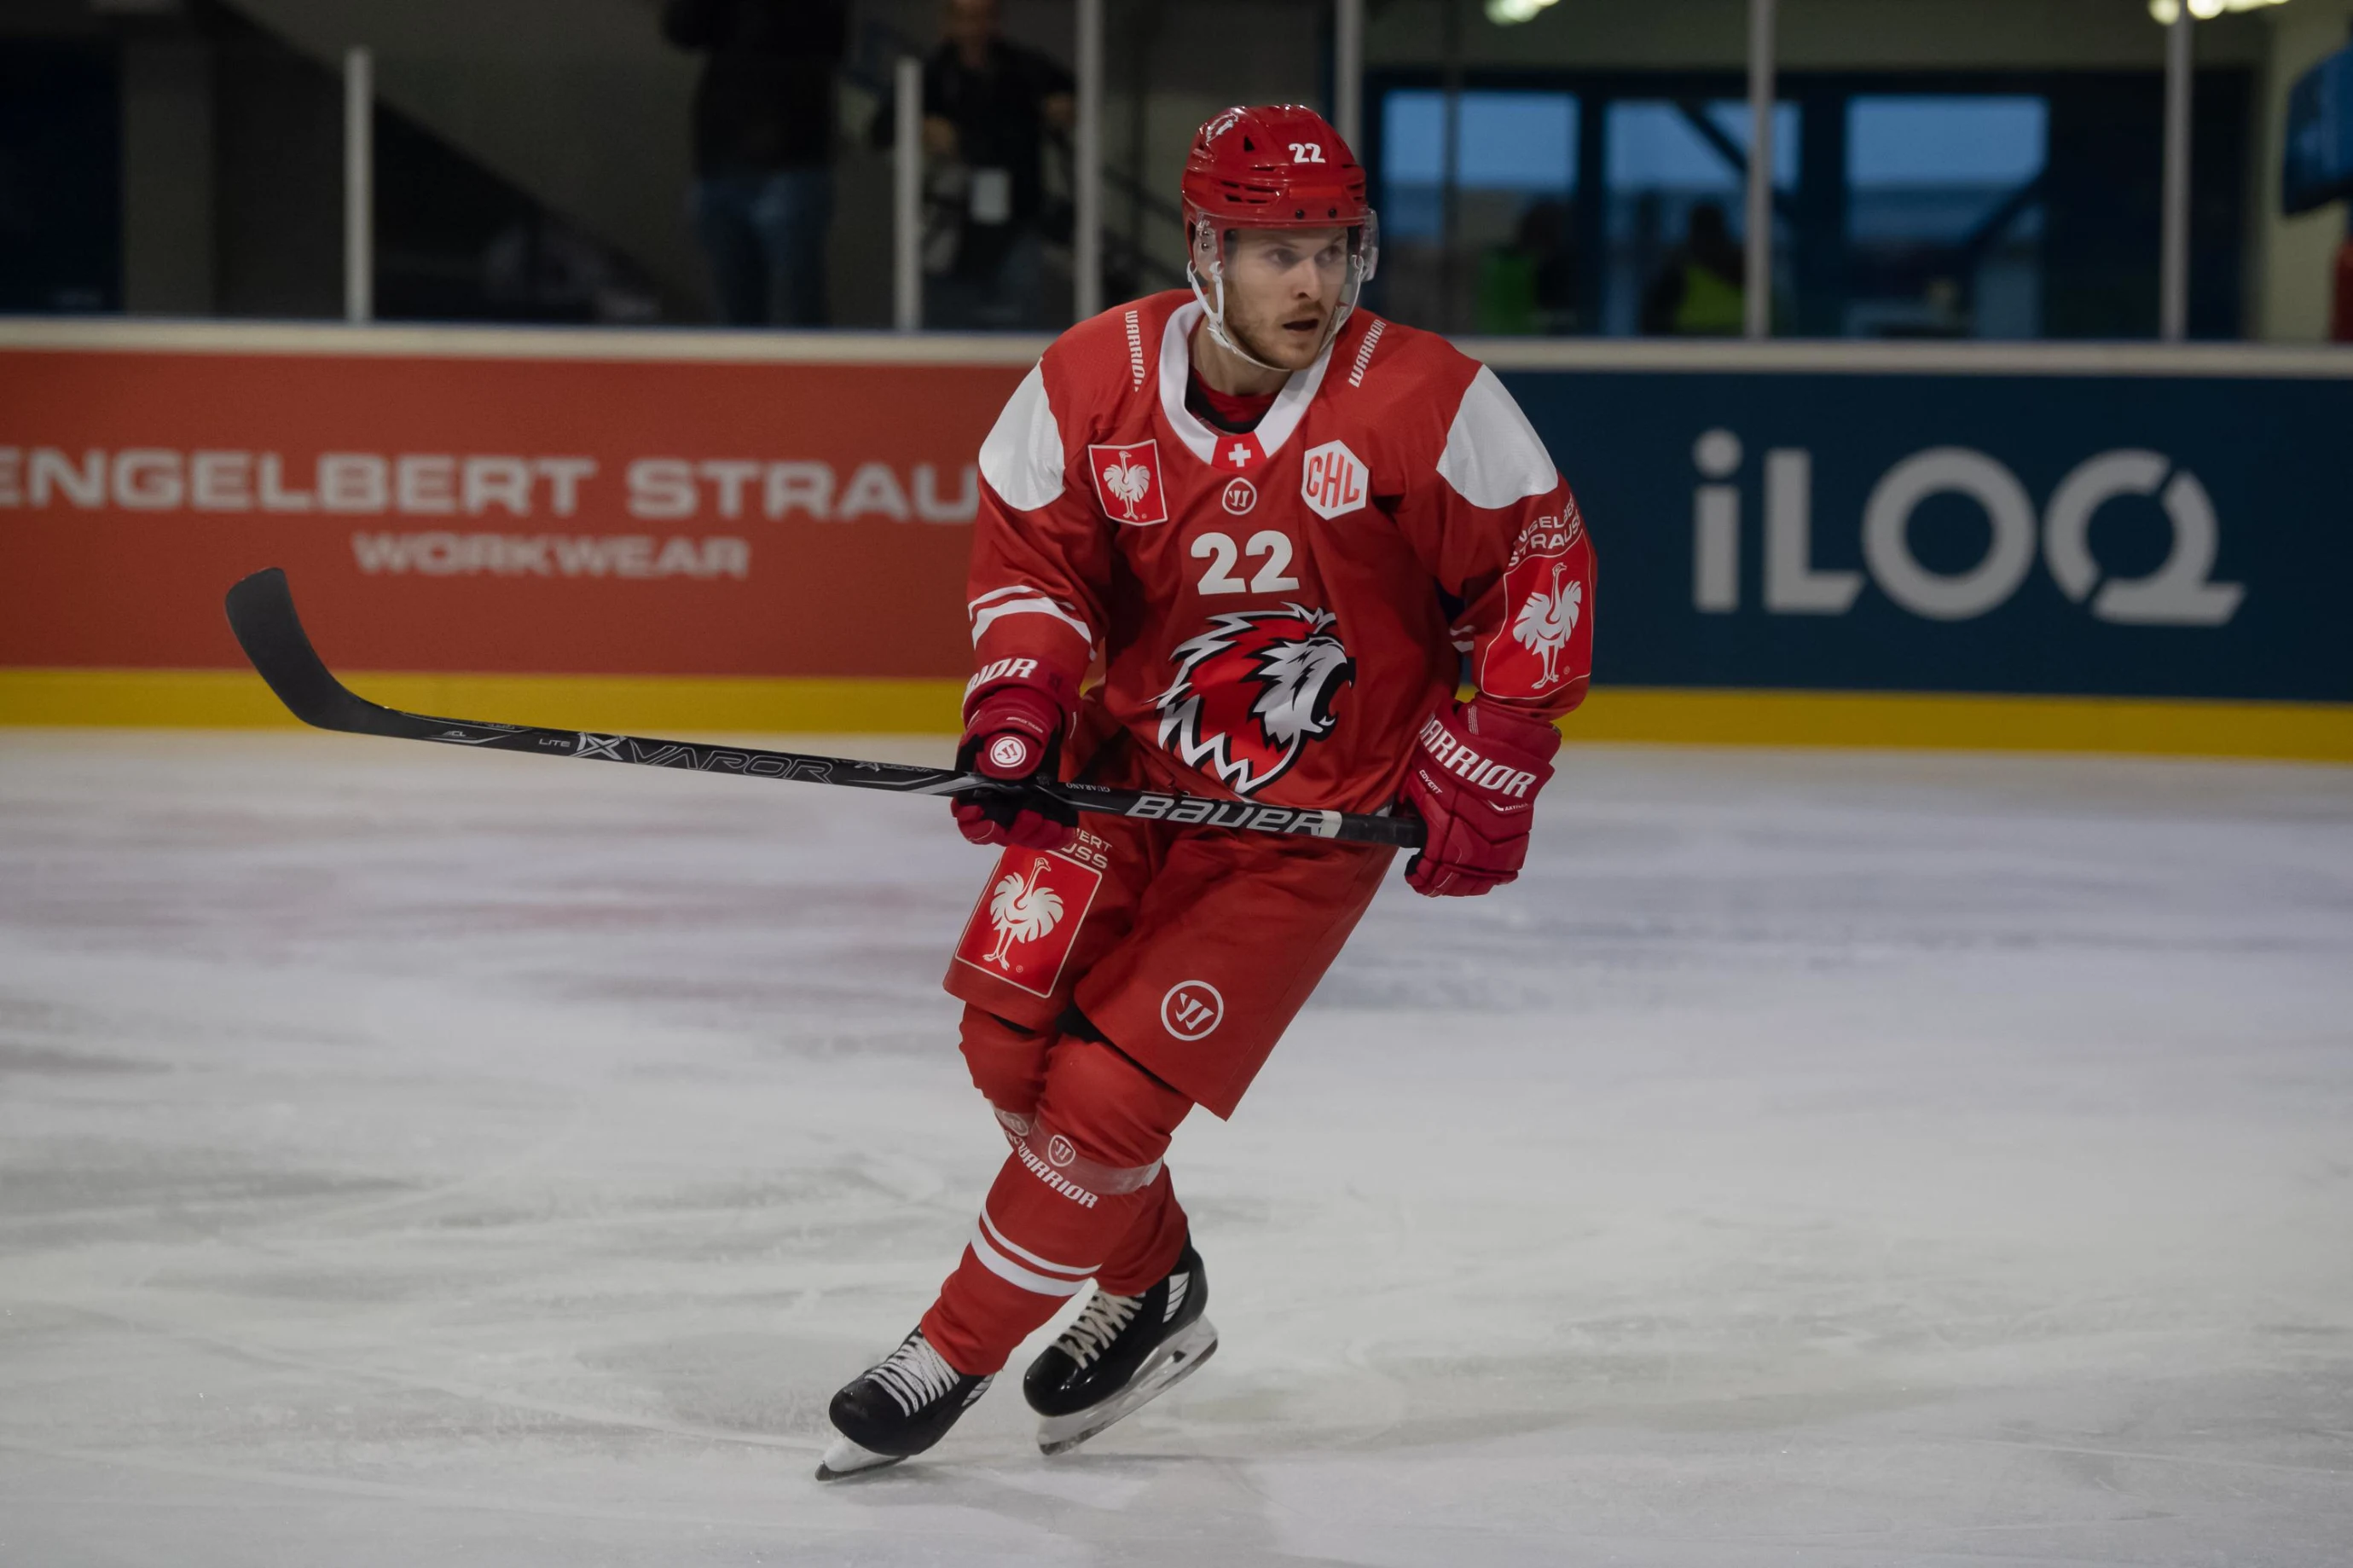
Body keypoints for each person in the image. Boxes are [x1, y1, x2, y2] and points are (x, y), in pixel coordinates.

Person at [815, 104, 1597, 1478]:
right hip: (1121, 790)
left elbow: (1537, 562)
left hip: (1300, 832)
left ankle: (947, 1348)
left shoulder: (1425, 396)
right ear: (1202, 249)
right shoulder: (1083, 380)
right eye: (1272, 249)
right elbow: (1035, 575)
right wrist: (1015, 710)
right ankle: (1153, 1282)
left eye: (1332, 248)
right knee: (1006, 1051)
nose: (1310, 282)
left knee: (1109, 1101)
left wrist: (1498, 741)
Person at [875, 0, 1074, 330]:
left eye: (982, 18)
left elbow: (1069, 93)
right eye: (964, 18)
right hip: (952, 222)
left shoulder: (1024, 67)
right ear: (948, 22)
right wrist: (923, 126)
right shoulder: (931, 73)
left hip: (1017, 214)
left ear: (996, 21)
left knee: (1019, 316)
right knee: (949, 322)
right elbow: (880, 128)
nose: (973, 29)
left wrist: (1062, 108)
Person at [662, 0, 849, 326]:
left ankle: (805, 378)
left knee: (797, 310)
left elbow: (829, 37)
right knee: (733, 313)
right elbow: (682, 29)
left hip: (792, 156)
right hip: (722, 156)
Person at [1639, 200, 1745, 336]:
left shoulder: (1751, 275)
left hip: (1750, 355)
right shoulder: (1675, 278)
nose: (1709, 242)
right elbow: (1651, 330)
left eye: (1712, 233)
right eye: (1704, 234)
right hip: (1689, 354)